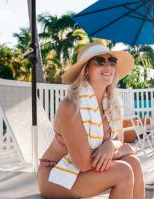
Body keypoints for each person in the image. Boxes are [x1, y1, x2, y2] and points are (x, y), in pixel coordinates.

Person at [37, 42, 145, 199]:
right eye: (100, 61)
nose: (108, 66)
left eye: (112, 62)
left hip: (83, 172)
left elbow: (119, 142)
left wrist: (110, 144)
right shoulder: (70, 106)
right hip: (56, 173)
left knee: (134, 163)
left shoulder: (113, 105)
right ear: (86, 70)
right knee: (124, 172)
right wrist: (118, 151)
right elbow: (84, 163)